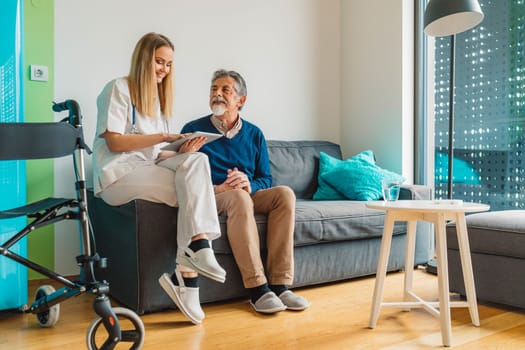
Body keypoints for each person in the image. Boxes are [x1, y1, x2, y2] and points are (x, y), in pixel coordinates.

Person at [92, 32, 226, 325]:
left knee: (197, 161)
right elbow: (115, 143)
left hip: (143, 170)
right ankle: (190, 268)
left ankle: (191, 263)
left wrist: (181, 148)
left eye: (169, 64)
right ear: (144, 59)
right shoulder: (119, 88)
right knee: (192, 187)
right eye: (159, 61)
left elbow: (153, 155)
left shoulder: (156, 102)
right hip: (116, 177)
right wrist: (166, 136)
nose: (164, 69)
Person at [181, 69, 310, 314]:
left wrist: (249, 184)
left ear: (241, 100)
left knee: (284, 194)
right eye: (214, 89)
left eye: (225, 90)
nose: (217, 94)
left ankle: (280, 285)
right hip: (213, 195)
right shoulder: (193, 129)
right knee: (239, 197)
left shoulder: (254, 134)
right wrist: (219, 187)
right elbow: (184, 177)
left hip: (245, 194)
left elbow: (266, 179)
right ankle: (257, 288)